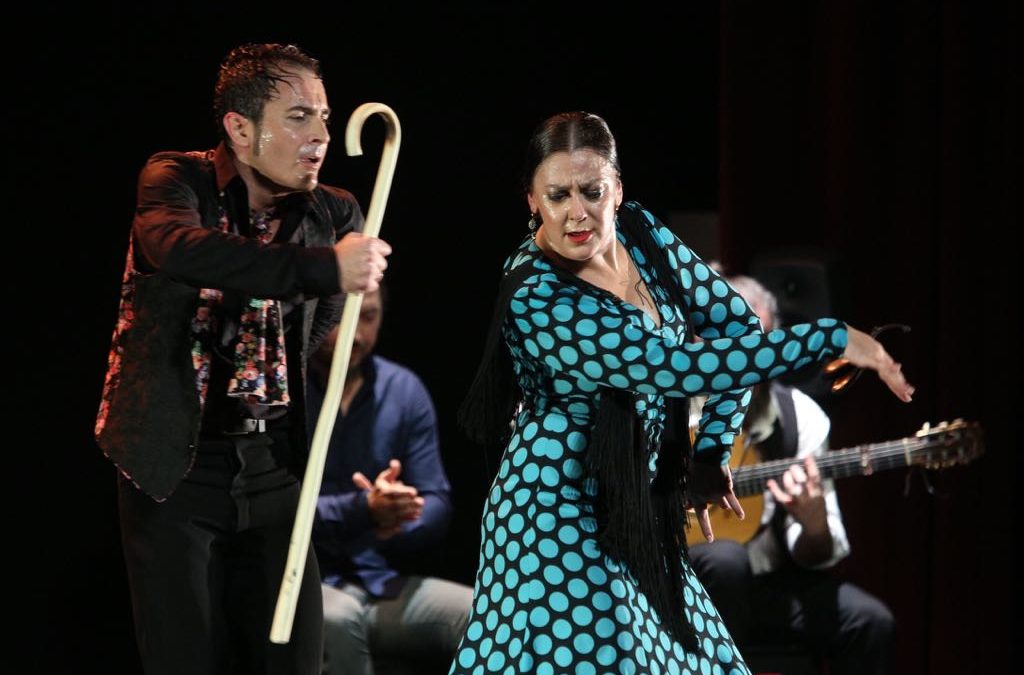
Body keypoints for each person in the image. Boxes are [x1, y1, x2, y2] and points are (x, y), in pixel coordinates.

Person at [451, 111, 913, 674]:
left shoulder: (642, 234)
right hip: (555, 514)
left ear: (617, 189)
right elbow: (677, 369)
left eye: (592, 191)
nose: (577, 212)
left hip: (636, 511)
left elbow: (737, 327)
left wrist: (712, 454)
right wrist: (832, 336)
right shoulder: (537, 295)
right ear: (531, 201)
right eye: (557, 195)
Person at [94, 43, 391, 675]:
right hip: (174, 466)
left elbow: (319, 329)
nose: (320, 137)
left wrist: (269, 373)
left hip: (275, 465)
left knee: (294, 657)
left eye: (325, 118)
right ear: (240, 127)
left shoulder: (333, 210)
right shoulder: (175, 180)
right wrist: (322, 268)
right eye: (298, 117)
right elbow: (178, 249)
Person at [687, 274, 895, 675]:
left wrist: (814, 522)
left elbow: (816, 554)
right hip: (678, 583)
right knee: (726, 561)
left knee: (870, 622)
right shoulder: (667, 405)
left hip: (765, 587)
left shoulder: (801, 417)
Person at [308, 287, 472, 675]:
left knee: (485, 615)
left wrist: (401, 513)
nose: (357, 334)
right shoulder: (288, 395)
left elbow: (437, 501)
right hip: (306, 585)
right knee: (336, 618)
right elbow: (282, 511)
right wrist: (363, 510)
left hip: (379, 583)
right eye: (341, 318)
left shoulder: (403, 390)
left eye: (369, 316)